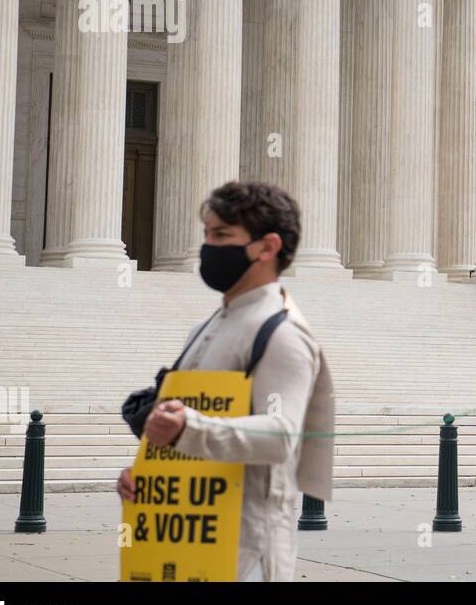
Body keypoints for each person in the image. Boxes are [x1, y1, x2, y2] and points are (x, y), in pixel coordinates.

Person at [116, 181, 335, 581]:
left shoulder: (283, 332)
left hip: (245, 550)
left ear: (267, 248)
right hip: (182, 542)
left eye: (221, 236)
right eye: (207, 235)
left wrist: (189, 427)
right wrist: (146, 477)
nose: (208, 248)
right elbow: (186, 420)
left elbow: (282, 435)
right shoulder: (206, 325)